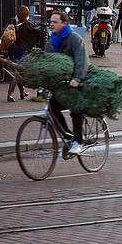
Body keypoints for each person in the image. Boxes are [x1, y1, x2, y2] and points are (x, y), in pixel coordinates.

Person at [46, 11, 89, 155]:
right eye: (50, 21)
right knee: (52, 106)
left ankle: (78, 141)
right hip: (61, 86)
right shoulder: (52, 42)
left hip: (76, 84)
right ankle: (67, 136)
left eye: (55, 22)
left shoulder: (75, 39)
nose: (51, 24)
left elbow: (81, 60)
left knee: (76, 109)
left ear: (64, 23)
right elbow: (47, 62)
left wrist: (77, 79)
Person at [6, 5, 42, 102]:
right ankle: (10, 95)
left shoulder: (13, 22)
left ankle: (22, 92)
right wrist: (41, 30)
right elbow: (34, 33)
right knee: (17, 73)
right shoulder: (27, 25)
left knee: (18, 71)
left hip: (11, 50)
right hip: (21, 51)